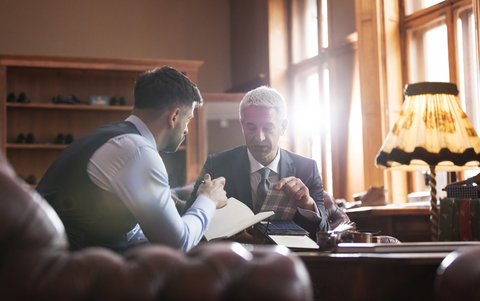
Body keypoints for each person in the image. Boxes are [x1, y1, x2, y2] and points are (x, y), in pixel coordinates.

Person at [36, 66, 228, 253]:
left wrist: (172, 194)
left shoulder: (113, 137)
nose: (186, 129)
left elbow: (124, 227)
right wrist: (208, 200)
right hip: (71, 273)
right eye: (188, 120)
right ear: (175, 116)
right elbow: (178, 243)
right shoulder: (138, 151)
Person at [183, 86, 330, 240]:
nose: (259, 137)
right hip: (234, 259)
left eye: (268, 128)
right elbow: (189, 226)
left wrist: (307, 204)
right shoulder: (217, 165)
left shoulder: (307, 169)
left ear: (283, 127)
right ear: (242, 126)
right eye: (251, 128)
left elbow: (323, 233)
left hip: (290, 260)